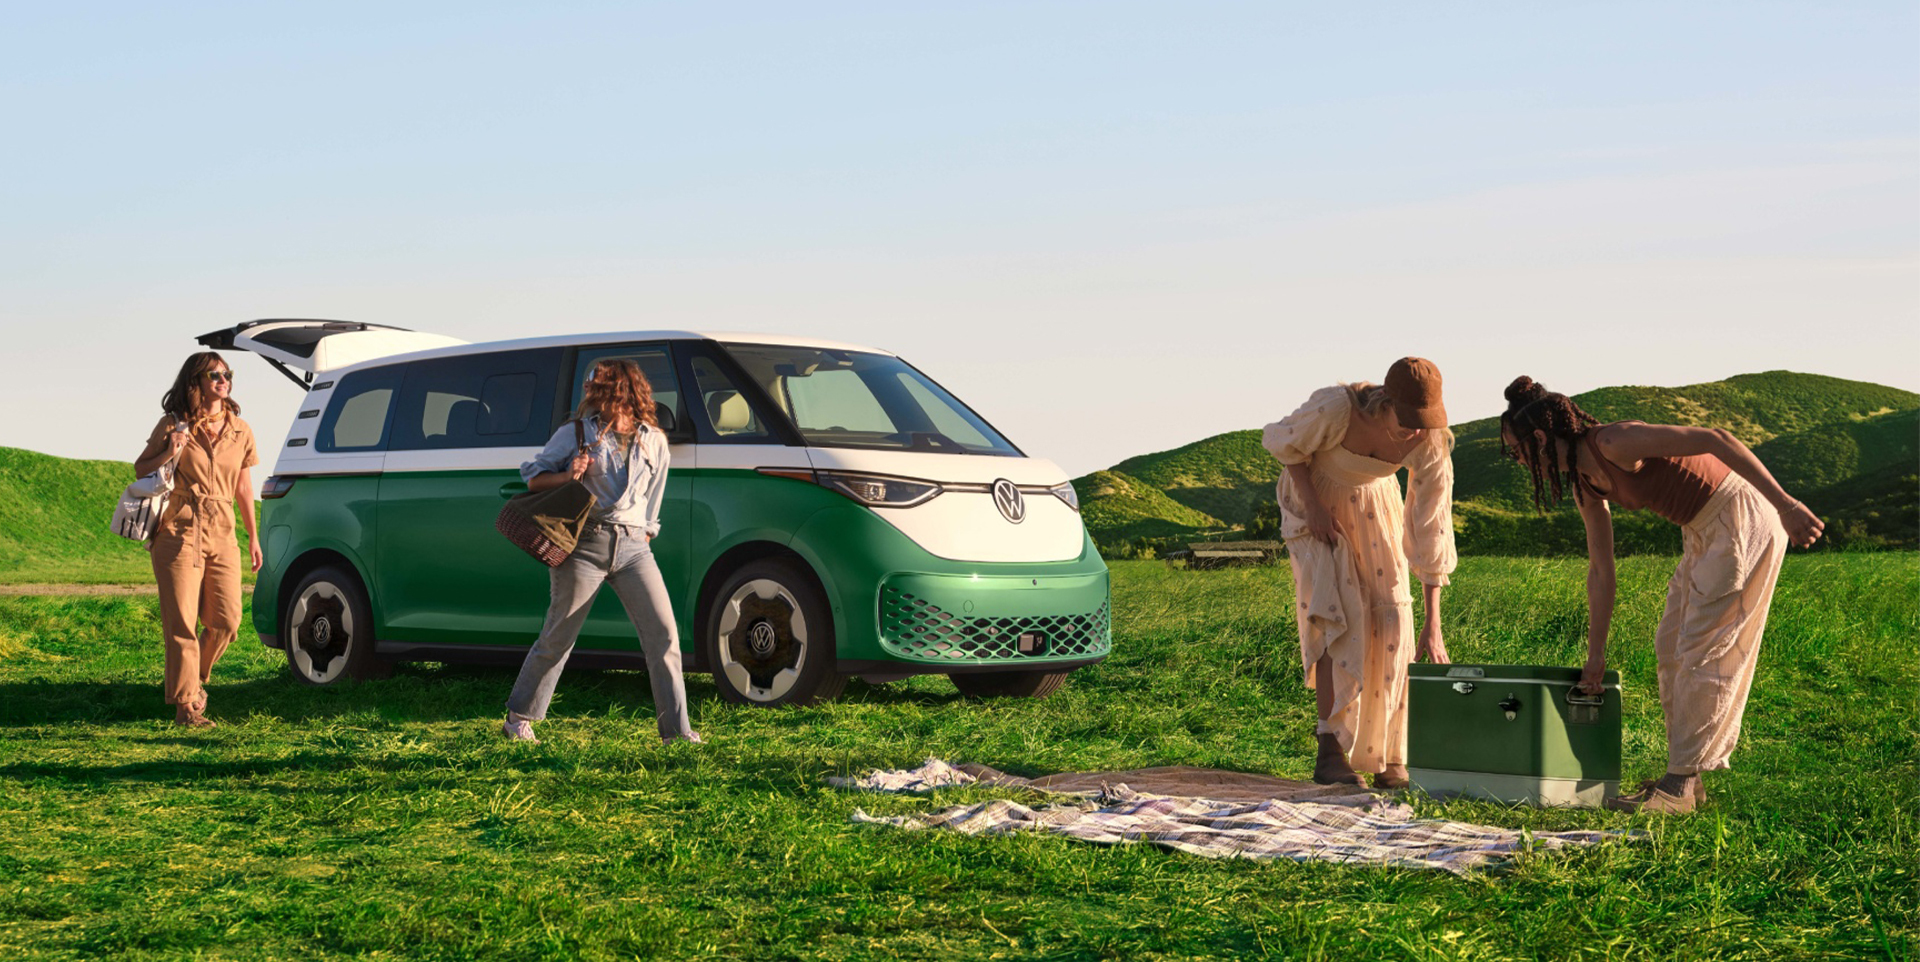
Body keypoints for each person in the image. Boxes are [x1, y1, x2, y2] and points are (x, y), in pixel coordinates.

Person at [1498, 376, 1824, 814]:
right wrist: (1596, 656)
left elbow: (1717, 440)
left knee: (1701, 648)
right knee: (1670, 644)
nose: (1515, 460)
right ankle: (1687, 778)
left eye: (1515, 450)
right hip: (1702, 531)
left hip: (1741, 515)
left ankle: (1679, 783)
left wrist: (1786, 505)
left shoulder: (1614, 441)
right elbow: (1601, 570)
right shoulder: (1584, 484)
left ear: (1539, 437)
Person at [1262, 357, 1456, 789]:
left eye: (1425, 422)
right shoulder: (1336, 410)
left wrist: (1433, 622)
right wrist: (1312, 507)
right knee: (1337, 611)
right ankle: (1330, 747)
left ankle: (1389, 752)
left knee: (1391, 621)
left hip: (1375, 509)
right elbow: (1284, 444)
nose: (1415, 431)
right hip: (1313, 505)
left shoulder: (1429, 443)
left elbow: (1431, 527)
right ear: (1385, 404)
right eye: (1407, 420)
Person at [503, 358, 700, 745]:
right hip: (584, 544)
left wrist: (645, 534)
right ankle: (518, 719)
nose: (593, 393)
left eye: (601, 386)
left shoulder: (654, 439)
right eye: (592, 387)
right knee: (559, 634)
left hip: (633, 548)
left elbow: (653, 499)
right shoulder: (576, 432)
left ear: (624, 389)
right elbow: (533, 478)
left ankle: (676, 734)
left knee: (664, 636)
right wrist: (569, 473)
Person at [133, 353, 261, 728]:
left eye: (227, 374)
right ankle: (186, 707)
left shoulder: (242, 430)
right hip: (178, 528)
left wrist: (253, 536)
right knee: (182, 623)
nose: (224, 379)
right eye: (215, 374)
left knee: (227, 620)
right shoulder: (173, 424)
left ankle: (194, 678)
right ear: (197, 382)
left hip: (222, 529)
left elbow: (243, 485)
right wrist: (170, 450)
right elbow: (141, 468)